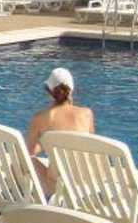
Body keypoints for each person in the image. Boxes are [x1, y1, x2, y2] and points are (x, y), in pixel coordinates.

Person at [24, 67, 95, 197]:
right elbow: (89, 145)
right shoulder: (86, 114)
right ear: (72, 90)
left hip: (56, 187)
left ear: (49, 92)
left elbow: (29, 153)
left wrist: (44, 143)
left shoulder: (40, 117)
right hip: (85, 184)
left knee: (24, 161)